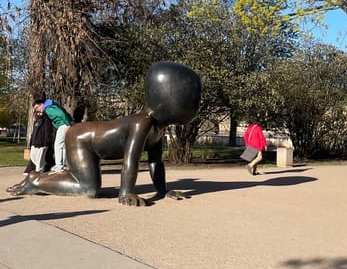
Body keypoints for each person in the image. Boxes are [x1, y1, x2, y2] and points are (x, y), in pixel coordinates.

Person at [6, 61, 202, 206]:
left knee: (86, 184)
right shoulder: (142, 122)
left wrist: (163, 191)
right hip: (82, 138)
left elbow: (155, 163)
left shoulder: (158, 127)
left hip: (90, 138)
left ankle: (43, 178)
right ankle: (35, 180)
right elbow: (130, 161)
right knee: (88, 189)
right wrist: (126, 193)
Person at [24, 99, 54, 175]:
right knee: (34, 159)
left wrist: (46, 142)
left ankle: (39, 176)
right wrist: (31, 143)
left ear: (41, 105)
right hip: (34, 144)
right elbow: (33, 133)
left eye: (37, 108)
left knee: (40, 162)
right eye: (35, 109)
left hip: (42, 144)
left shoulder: (46, 119)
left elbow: (48, 131)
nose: (36, 110)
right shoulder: (37, 120)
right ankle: (39, 172)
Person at [42, 99, 73, 172]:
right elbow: (64, 113)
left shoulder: (48, 108)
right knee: (63, 146)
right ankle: (64, 165)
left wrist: (68, 124)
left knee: (58, 145)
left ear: (41, 105)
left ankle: (59, 166)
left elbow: (60, 114)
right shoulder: (54, 106)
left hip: (63, 125)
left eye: (37, 108)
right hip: (65, 125)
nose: (38, 110)